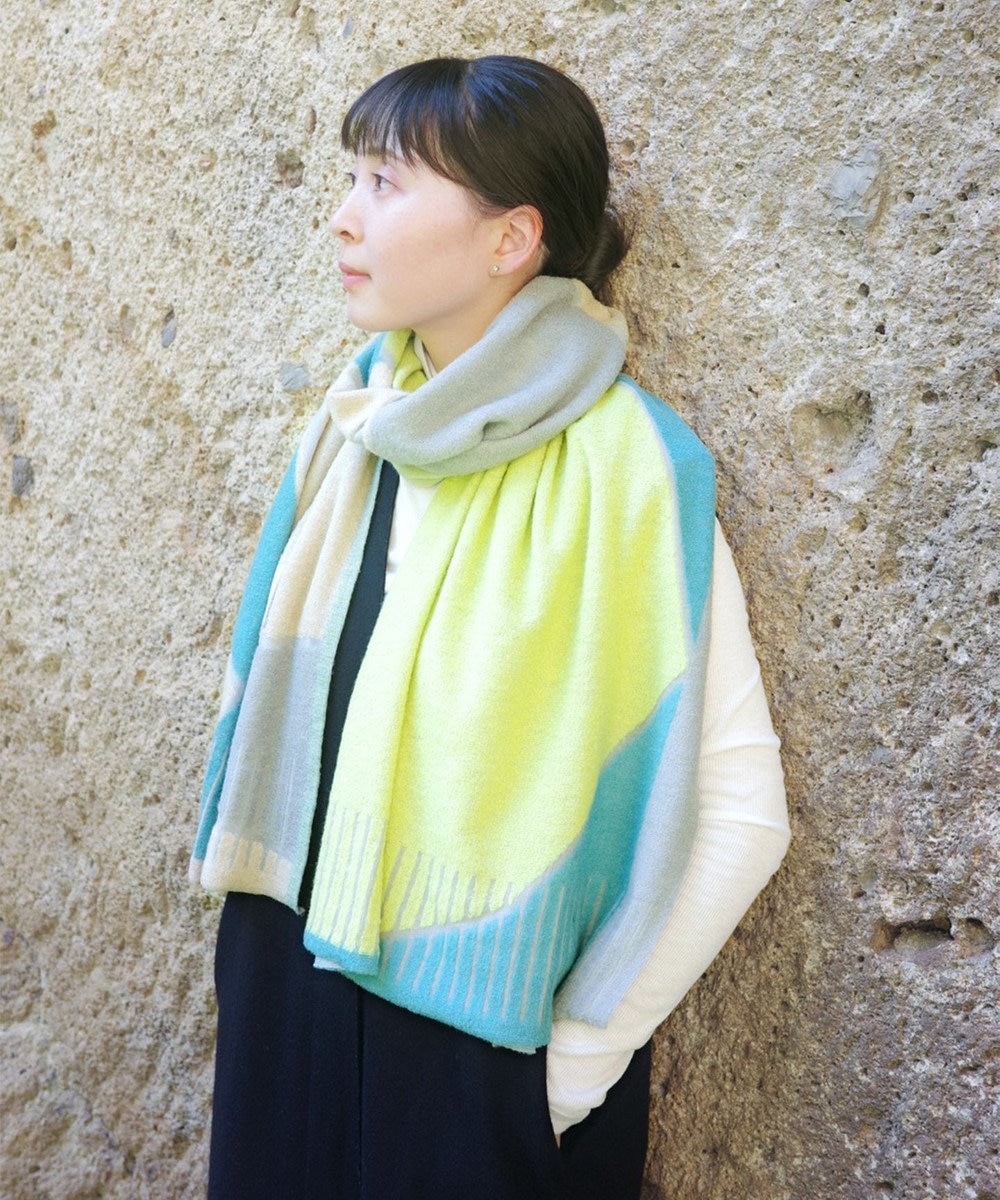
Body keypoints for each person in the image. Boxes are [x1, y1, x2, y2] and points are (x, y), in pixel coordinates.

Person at [190, 55, 790, 1200]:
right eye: (351, 179)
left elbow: (741, 808)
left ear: (512, 238)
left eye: (383, 183)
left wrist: (564, 1076)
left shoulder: (632, 471)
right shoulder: (353, 432)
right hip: (287, 1007)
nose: (342, 216)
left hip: (480, 1053)